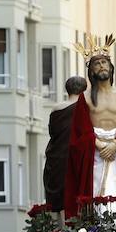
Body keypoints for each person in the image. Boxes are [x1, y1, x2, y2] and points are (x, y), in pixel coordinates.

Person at [64, 33, 116, 220]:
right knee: (95, 187)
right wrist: (98, 144)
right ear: (91, 71)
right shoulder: (85, 97)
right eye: (97, 63)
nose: (102, 66)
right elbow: (81, 129)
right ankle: (96, 228)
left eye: (105, 62)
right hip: (94, 151)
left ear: (111, 68)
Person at [44, 76, 88, 213]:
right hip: (76, 158)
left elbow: (52, 132)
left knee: (60, 206)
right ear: (85, 90)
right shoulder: (86, 108)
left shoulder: (56, 109)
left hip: (57, 158)